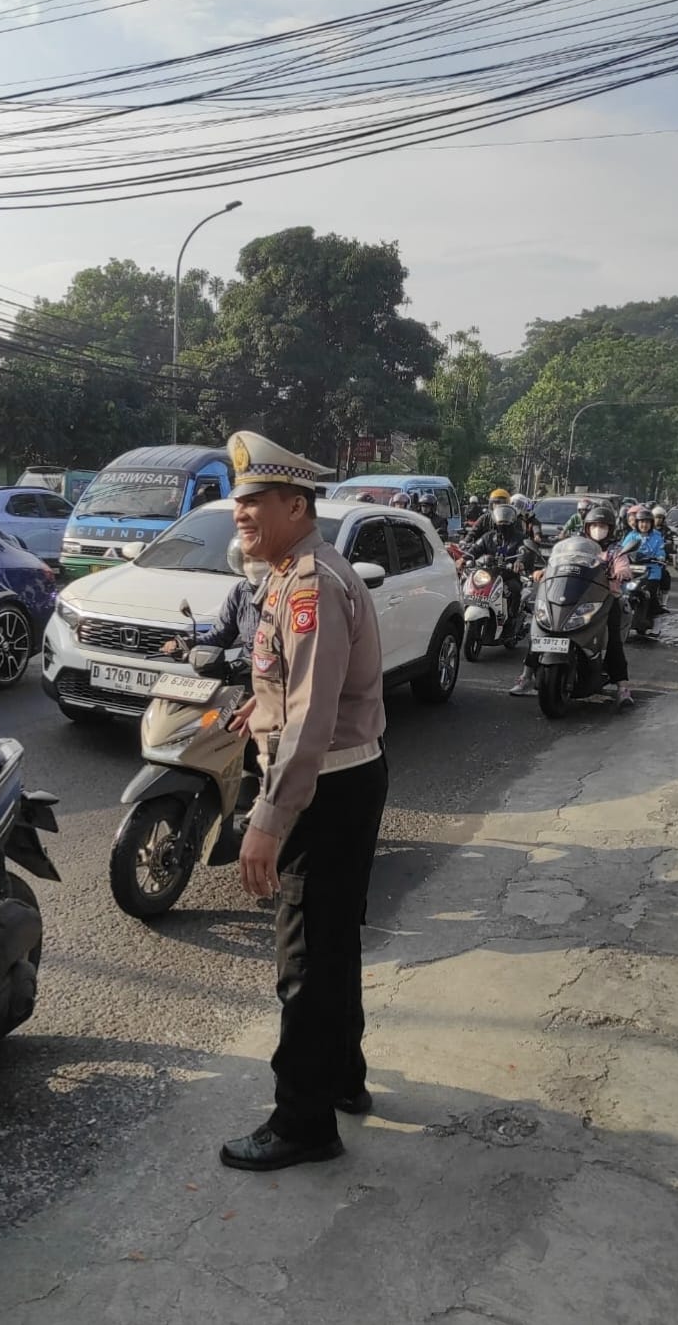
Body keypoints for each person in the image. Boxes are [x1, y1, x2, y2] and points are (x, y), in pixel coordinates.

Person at [219, 430, 386, 1173]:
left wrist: (269, 816)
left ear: (295, 505)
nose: (241, 513)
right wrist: (255, 709)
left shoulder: (311, 583)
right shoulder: (289, 574)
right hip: (339, 778)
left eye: (255, 501)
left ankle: (303, 1122)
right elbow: (290, 689)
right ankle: (342, 1076)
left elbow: (313, 714)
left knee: (305, 960)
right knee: (332, 942)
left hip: (324, 788)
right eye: (238, 502)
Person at [509, 502, 633, 708]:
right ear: (587, 527)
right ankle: (526, 676)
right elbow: (559, 563)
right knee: (540, 630)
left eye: (603, 526)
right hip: (570, 596)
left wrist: (622, 572)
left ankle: (622, 687)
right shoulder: (576, 545)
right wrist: (544, 572)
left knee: (613, 640)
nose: (598, 529)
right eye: (594, 525)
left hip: (604, 598)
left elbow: (623, 566)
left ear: (611, 529)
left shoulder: (615, 550)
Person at [462, 501, 525, 631]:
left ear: (513, 520)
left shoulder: (519, 538)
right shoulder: (488, 537)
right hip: (489, 573)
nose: (503, 523)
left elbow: (523, 551)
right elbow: (475, 549)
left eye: (506, 519)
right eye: (501, 519)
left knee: (514, 588)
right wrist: (463, 559)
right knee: (466, 580)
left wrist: (519, 561)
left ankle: (511, 620)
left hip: (508, 575)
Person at [620, 505, 667, 623]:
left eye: (647, 522)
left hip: (651, 570)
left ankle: (653, 617)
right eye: (641, 522)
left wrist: (660, 556)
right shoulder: (631, 535)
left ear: (651, 524)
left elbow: (661, 550)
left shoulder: (657, 536)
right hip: (632, 569)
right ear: (637, 523)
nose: (644, 525)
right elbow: (623, 549)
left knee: (650, 594)